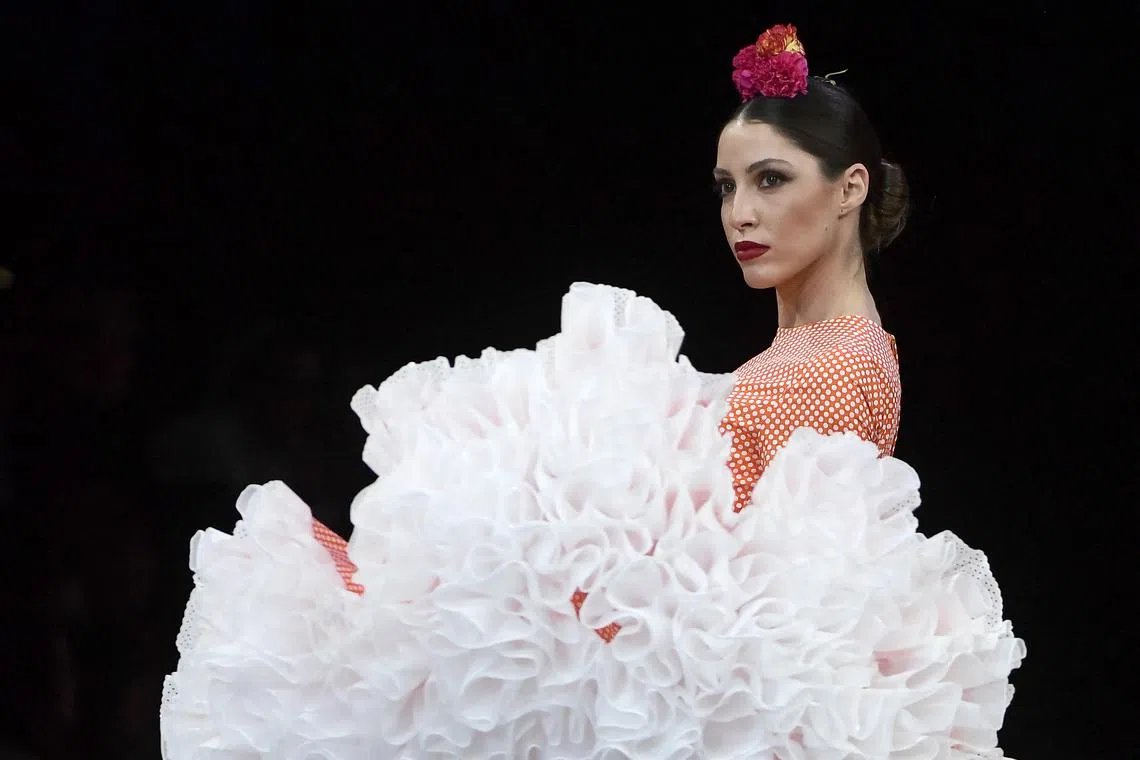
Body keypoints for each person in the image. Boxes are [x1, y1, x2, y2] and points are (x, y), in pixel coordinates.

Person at [160, 25, 1024, 759]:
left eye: (771, 180)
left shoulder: (829, 370)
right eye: (727, 186)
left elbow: (743, 613)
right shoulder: (817, 353)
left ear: (850, 189)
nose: (740, 215)